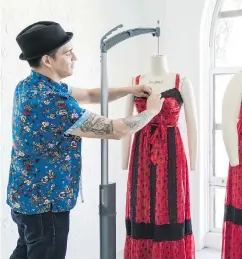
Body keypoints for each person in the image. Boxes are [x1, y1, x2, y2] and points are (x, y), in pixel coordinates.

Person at [7, 21, 164, 259]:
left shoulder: (30, 86)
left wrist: (131, 89)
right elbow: (116, 129)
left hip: (25, 199)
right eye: (68, 53)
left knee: (24, 253)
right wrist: (151, 112)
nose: (75, 57)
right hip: (45, 207)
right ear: (48, 60)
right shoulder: (51, 101)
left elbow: (90, 94)